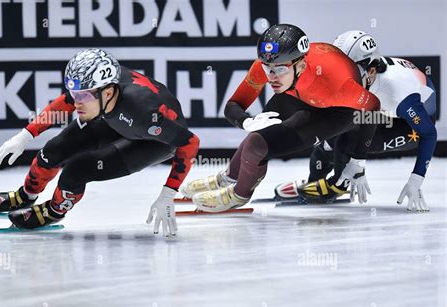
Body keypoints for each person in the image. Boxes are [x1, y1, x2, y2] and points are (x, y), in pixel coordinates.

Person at [0, 49, 200, 236]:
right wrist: (26, 135)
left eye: (83, 97)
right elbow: (65, 102)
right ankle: (26, 195)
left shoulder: (145, 114)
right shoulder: (103, 91)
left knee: (76, 171)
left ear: (108, 92)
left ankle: (54, 211)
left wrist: (168, 192)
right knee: (53, 150)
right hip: (116, 119)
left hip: (152, 142)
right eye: (76, 95)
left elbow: (190, 142)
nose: (76, 103)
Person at [180, 24, 380, 212]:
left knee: (257, 144)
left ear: (300, 65)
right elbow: (233, 105)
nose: (272, 76)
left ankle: (239, 195)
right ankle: (228, 178)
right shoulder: (268, 67)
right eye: (268, 67)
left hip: (337, 110)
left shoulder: (339, 85)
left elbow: (373, 106)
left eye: (280, 69)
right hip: (299, 91)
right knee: (259, 131)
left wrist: (358, 161)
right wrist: (246, 121)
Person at [275, 30, 437, 212]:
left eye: (349, 70)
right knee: (326, 142)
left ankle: (336, 185)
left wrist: (416, 179)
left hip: (406, 124)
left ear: (372, 70)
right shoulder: (365, 75)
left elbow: (429, 133)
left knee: (346, 142)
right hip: (380, 107)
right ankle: (314, 181)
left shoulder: (398, 93)